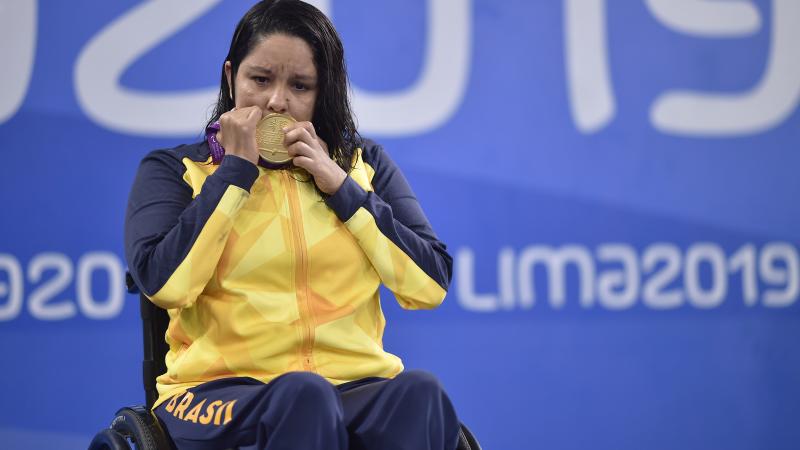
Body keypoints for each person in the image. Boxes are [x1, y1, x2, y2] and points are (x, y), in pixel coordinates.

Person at [123, 1, 460, 449]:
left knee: (422, 395)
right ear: (231, 78)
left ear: (324, 94)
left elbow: (429, 287)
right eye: (260, 79)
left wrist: (341, 187)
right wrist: (234, 172)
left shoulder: (362, 166)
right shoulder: (179, 169)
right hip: (213, 393)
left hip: (352, 385)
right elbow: (165, 285)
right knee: (304, 396)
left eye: (300, 86)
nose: (277, 100)